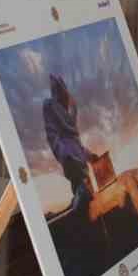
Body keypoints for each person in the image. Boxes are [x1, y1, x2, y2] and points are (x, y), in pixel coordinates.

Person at [42, 74, 91, 212]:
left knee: (85, 191)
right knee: (82, 191)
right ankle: (76, 211)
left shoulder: (69, 115)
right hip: (70, 158)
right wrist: (64, 155)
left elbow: (77, 142)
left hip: (79, 160)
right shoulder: (50, 106)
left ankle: (78, 208)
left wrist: (90, 155)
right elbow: (52, 136)